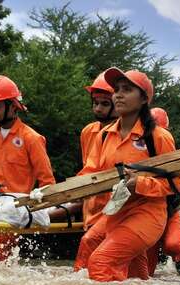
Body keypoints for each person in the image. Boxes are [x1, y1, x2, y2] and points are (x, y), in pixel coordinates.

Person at [77, 67, 180, 282]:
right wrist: (65, 191)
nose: (118, 94)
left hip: (147, 214)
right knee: (136, 279)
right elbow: (90, 172)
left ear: (144, 99)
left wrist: (141, 184)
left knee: (100, 262)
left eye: (126, 90)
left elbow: (178, 183)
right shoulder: (103, 136)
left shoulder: (158, 136)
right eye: (116, 89)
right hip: (115, 212)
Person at [0, 75, 56, 261]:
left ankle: (4, 269)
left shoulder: (31, 138)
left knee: (4, 246)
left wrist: (39, 203)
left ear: (13, 106)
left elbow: (47, 181)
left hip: (16, 201)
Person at [72, 72, 118, 270]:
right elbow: (87, 169)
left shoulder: (128, 133)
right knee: (89, 266)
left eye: (104, 103)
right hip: (92, 209)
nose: (98, 108)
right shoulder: (88, 132)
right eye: (95, 102)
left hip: (118, 208)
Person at [145, 107, 180, 276]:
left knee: (174, 245)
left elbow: (179, 191)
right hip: (146, 213)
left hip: (169, 213)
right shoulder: (139, 152)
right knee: (146, 273)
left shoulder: (176, 164)